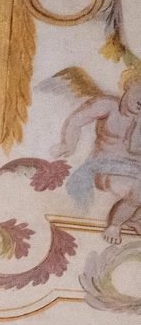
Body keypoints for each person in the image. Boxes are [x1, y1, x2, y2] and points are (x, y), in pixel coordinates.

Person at [54, 71, 141, 243]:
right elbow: (77, 120)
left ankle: (134, 218)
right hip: (103, 165)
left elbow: (134, 149)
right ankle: (114, 225)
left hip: (134, 169)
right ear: (130, 85)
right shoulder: (108, 105)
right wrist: (68, 144)